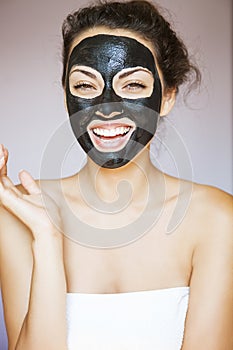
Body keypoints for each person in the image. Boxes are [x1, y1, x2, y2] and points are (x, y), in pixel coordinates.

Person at [0, 1, 232, 349]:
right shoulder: (20, 214)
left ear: (167, 96)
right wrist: (47, 239)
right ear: (66, 95)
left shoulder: (216, 218)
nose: (106, 108)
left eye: (133, 85)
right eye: (85, 85)